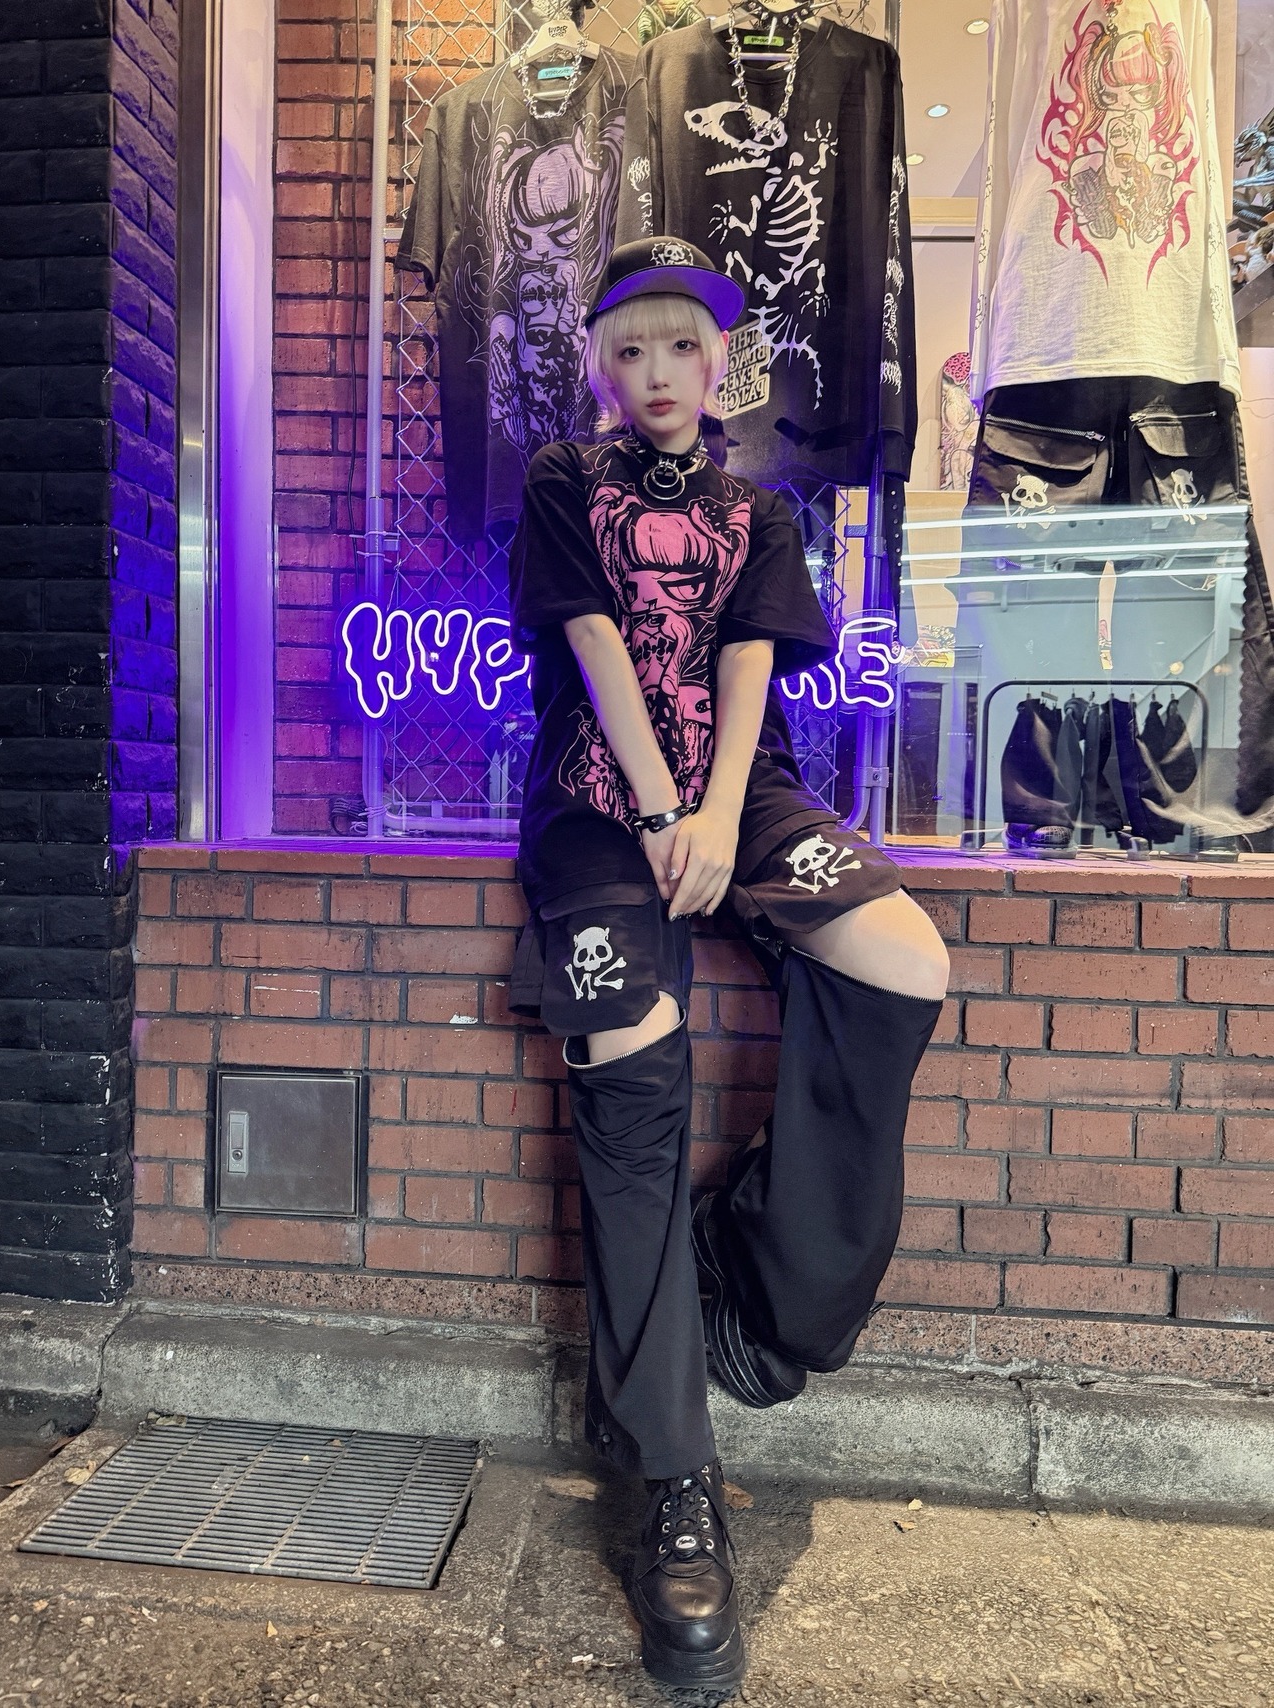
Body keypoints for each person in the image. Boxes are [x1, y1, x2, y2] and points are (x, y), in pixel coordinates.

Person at [507, 236, 950, 1692]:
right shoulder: (563, 481)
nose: (657, 373)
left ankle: (757, 1269)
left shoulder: (758, 511)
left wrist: (713, 817)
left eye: (682, 347)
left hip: (740, 793)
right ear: (600, 365)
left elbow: (749, 664)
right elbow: (593, 644)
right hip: (596, 801)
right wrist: (654, 814)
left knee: (902, 960)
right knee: (629, 1052)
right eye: (629, 348)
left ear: (720, 364)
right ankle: (671, 1478)